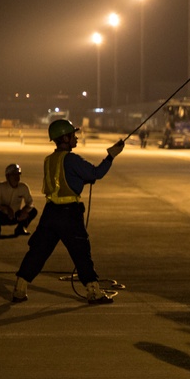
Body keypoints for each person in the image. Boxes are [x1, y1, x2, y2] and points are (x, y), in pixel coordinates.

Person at [11, 119, 125, 305]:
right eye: (73, 135)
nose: (76, 137)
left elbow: (65, 181)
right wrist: (111, 156)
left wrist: (83, 178)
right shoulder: (72, 159)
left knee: (38, 252)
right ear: (65, 138)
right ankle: (94, 292)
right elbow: (95, 174)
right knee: (81, 253)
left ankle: (19, 288)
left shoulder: (49, 160)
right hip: (69, 214)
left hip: (50, 214)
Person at [0, 163, 37, 237]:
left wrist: (24, 210)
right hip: (2, 216)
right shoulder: (0, 187)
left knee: (33, 211)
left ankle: (20, 228)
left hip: (16, 216)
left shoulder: (24, 187)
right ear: (7, 176)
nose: (17, 176)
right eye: (14, 174)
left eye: (18, 174)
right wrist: (6, 208)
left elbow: (30, 203)